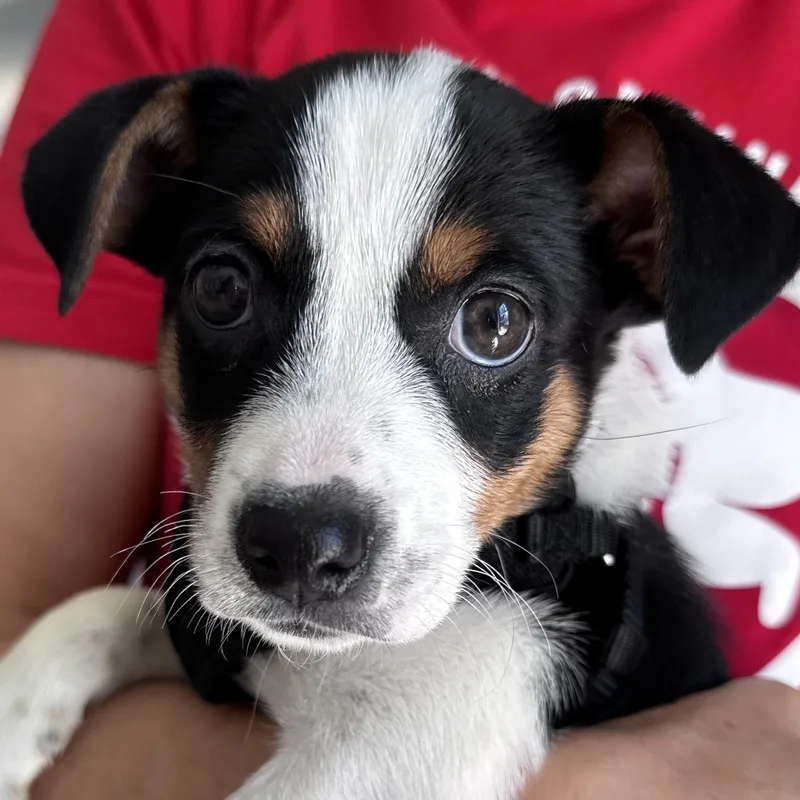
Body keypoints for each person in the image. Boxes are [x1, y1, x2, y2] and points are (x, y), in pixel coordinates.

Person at [1, 0, 800, 797]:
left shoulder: (538, 624)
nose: (312, 501)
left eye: (494, 323)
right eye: (226, 292)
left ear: (641, 248)